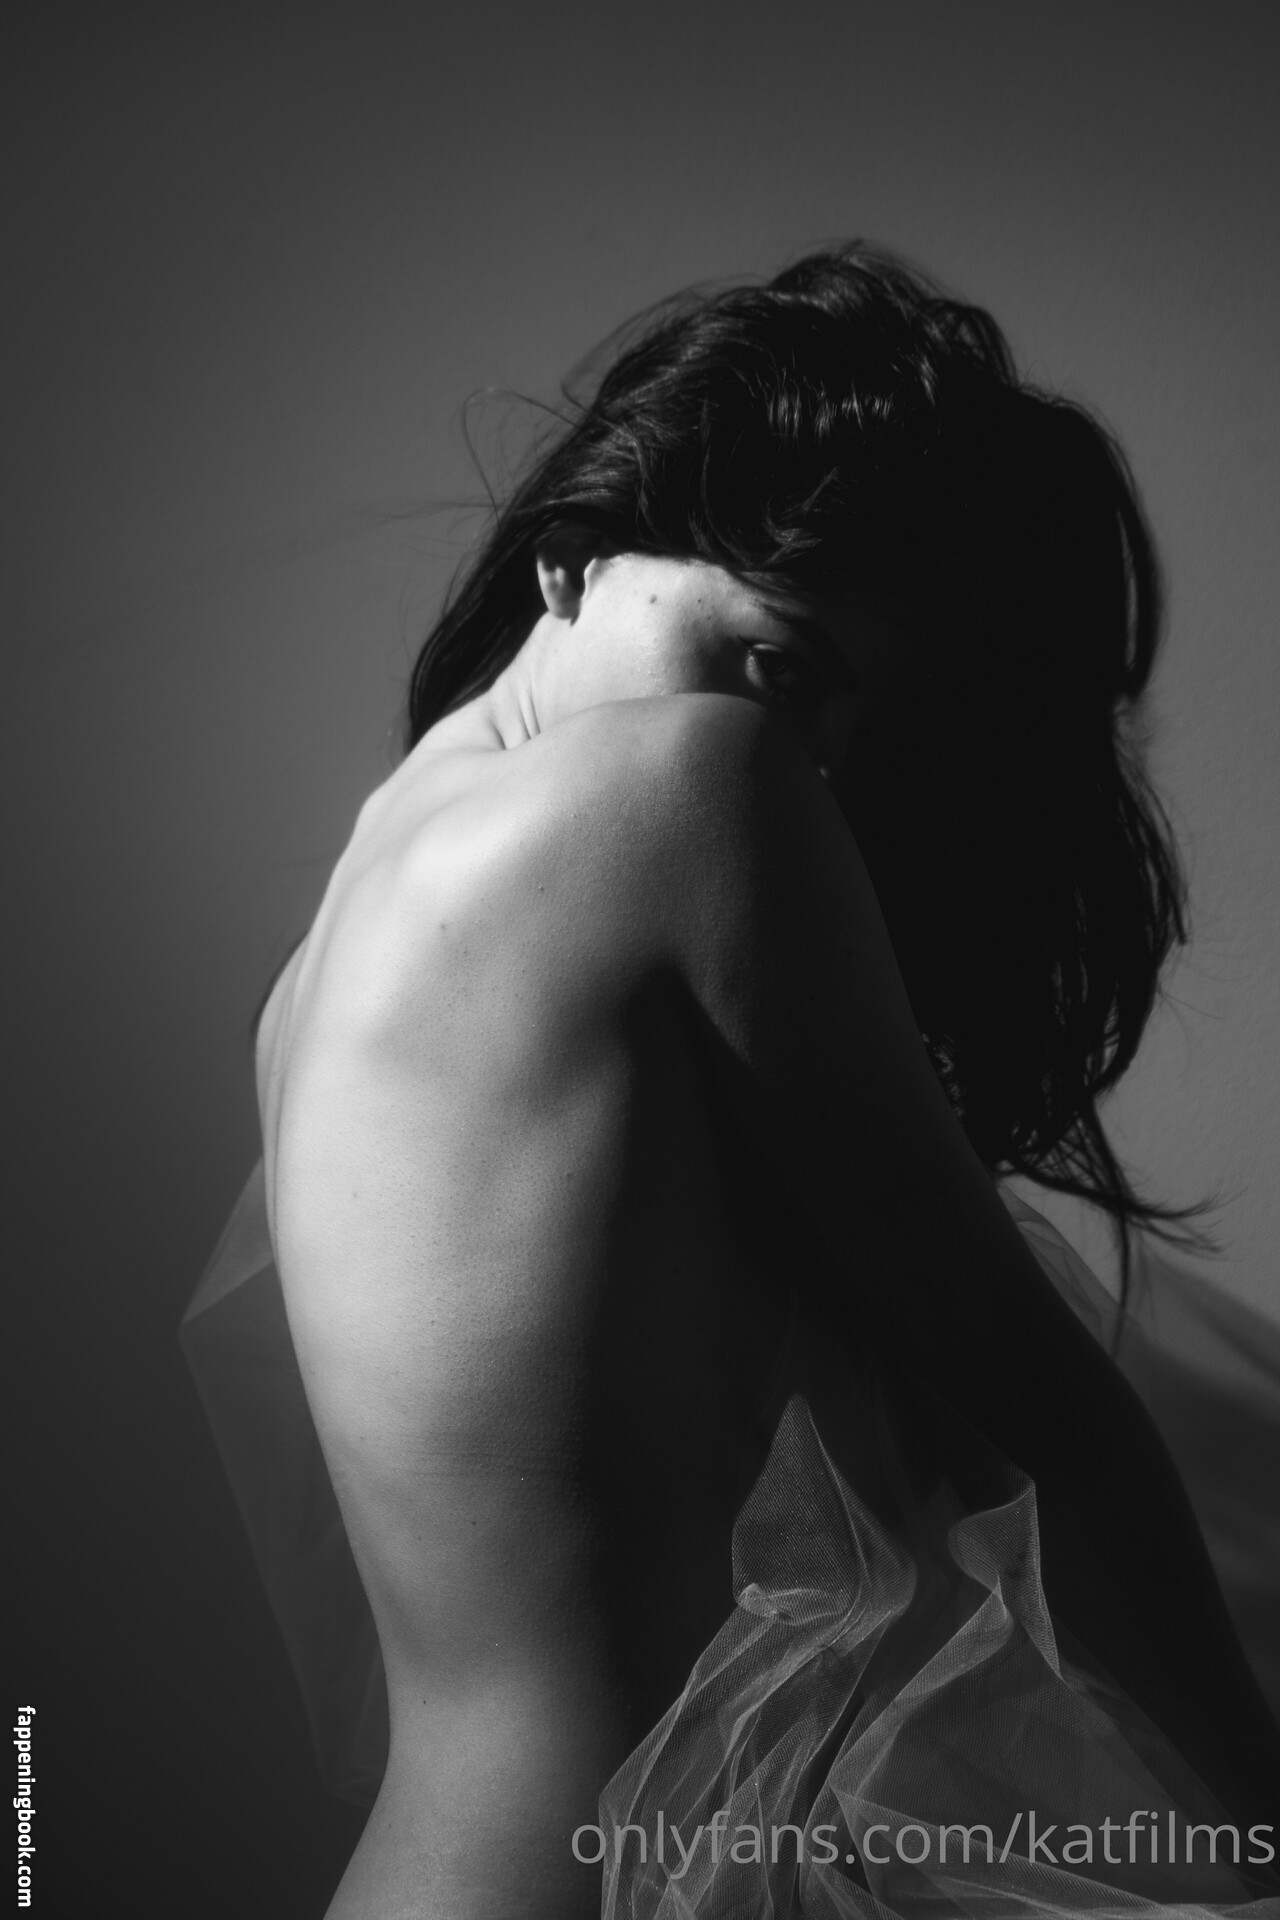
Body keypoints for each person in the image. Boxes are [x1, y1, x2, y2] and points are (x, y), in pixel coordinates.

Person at [185, 245, 1280, 1919]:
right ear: (575, 556)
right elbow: (1042, 1427)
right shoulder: (688, 786)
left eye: (860, 738)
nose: (812, 769)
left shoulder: (326, 968)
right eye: (782, 664)